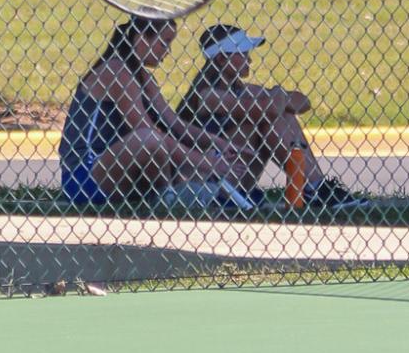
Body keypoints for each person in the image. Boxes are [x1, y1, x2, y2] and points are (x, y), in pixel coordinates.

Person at [59, 14, 256, 211]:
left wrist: (218, 143)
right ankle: (168, 198)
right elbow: (147, 132)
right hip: (85, 174)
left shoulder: (144, 77)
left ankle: (182, 193)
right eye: (164, 42)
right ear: (142, 38)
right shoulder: (116, 70)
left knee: (168, 143)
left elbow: (176, 124)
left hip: (121, 171)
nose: (168, 50)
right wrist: (206, 163)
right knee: (150, 139)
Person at [176, 24, 359, 209]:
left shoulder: (241, 89)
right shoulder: (208, 95)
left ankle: (315, 186)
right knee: (264, 118)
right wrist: (278, 94)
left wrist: (275, 99)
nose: (250, 59)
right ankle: (314, 187)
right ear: (223, 59)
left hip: (231, 176)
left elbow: (303, 102)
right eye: (243, 53)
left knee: (280, 115)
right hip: (202, 184)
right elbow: (268, 109)